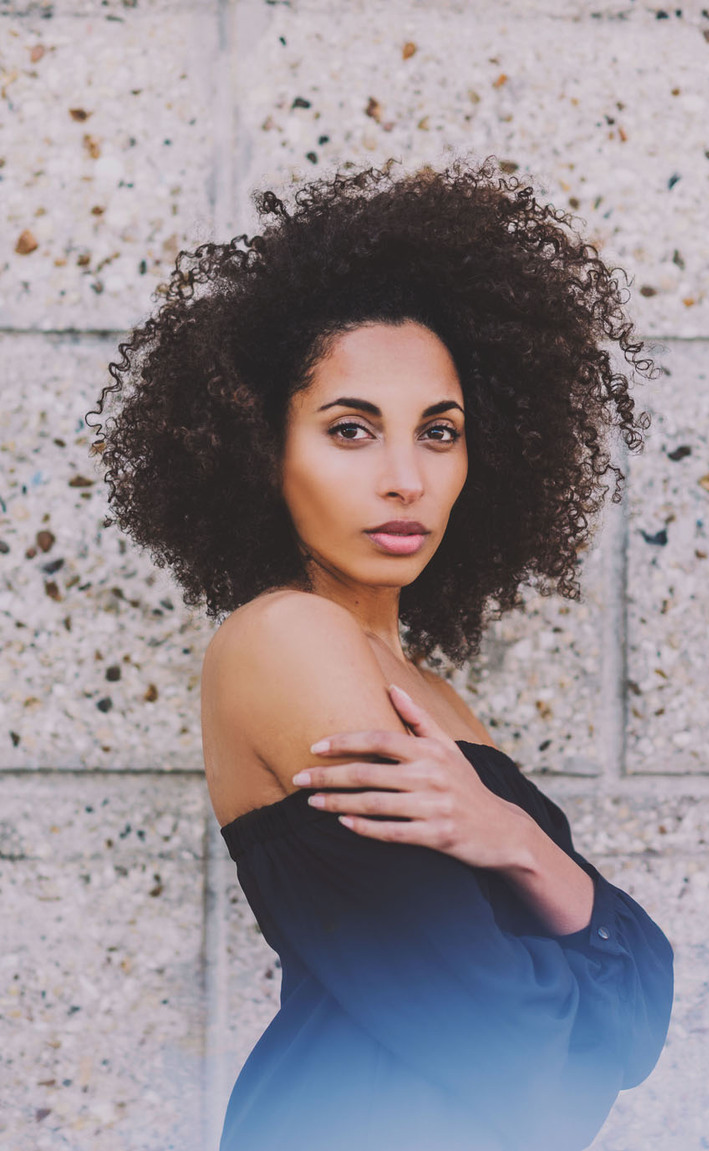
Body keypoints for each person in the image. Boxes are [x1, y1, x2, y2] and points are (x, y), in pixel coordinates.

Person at [88, 157, 674, 1151]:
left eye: (438, 433)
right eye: (351, 430)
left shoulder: (431, 695)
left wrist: (516, 839)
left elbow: (646, 1016)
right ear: (262, 449)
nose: (405, 478)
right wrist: (571, 937)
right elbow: (520, 1049)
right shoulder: (286, 638)